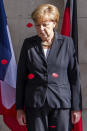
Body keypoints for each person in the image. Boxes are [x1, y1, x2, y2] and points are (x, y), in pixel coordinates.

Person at [16, 4, 82, 131]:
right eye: (37, 25)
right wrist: (19, 108)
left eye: (45, 24)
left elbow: (74, 78)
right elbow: (21, 78)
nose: (41, 29)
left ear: (54, 23)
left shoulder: (67, 43)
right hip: (35, 104)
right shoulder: (28, 44)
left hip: (61, 103)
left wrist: (76, 107)